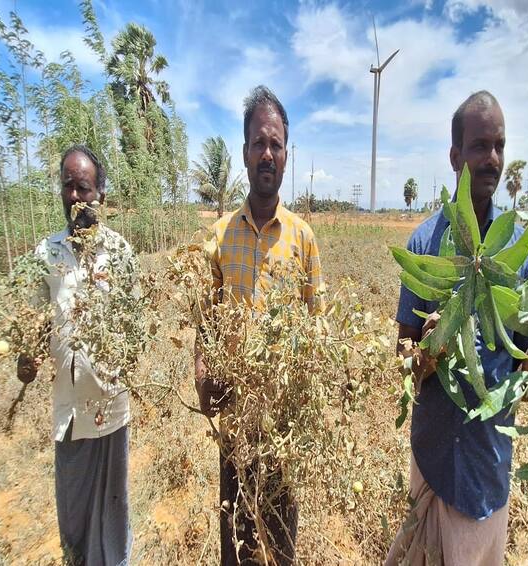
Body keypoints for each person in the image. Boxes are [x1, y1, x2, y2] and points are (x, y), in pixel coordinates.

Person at [385, 91, 528, 565]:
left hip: (487, 461)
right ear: (455, 156)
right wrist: (428, 349)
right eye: (480, 145)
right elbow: (401, 359)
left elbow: (525, 368)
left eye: (500, 145)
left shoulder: (520, 252)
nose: (493, 159)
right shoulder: (425, 243)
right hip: (434, 453)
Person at [195, 85, 324, 565]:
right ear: (244, 151)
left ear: (287, 155)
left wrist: (311, 394)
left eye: (276, 144)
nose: (267, 153)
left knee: (280, 540)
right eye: (258, 143)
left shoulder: (304, 239)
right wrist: (202, 370)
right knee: (237, 540)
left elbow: (318, 326)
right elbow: (206, 318)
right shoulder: (220, 234)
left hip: (284, 424)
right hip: (236, 418)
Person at [17, 145, 136, 566]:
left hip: (111, 407)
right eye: (67, 186)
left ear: (99, 194)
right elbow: (30, 325)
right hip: (68, 414)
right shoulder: (46, 254)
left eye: (83, 187)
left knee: (113, 512)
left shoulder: (120, 253)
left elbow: (135, 322)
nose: (74, 197)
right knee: (73, 515)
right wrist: (25, 358)